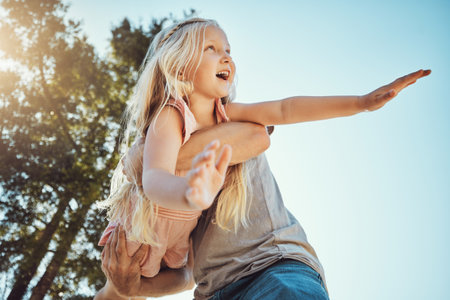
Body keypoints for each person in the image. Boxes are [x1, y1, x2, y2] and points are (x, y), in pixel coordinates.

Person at [96, 17, 430, 300]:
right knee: (112, 287)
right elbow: (154, 178)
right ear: (178, 67)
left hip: (269, 269)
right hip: (182, 261)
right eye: (210, 48)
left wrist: (360, 103)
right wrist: (189, 193)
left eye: (228, 50)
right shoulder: (171, 115)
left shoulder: (231, 116)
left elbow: (286, 108)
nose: (226, 57)